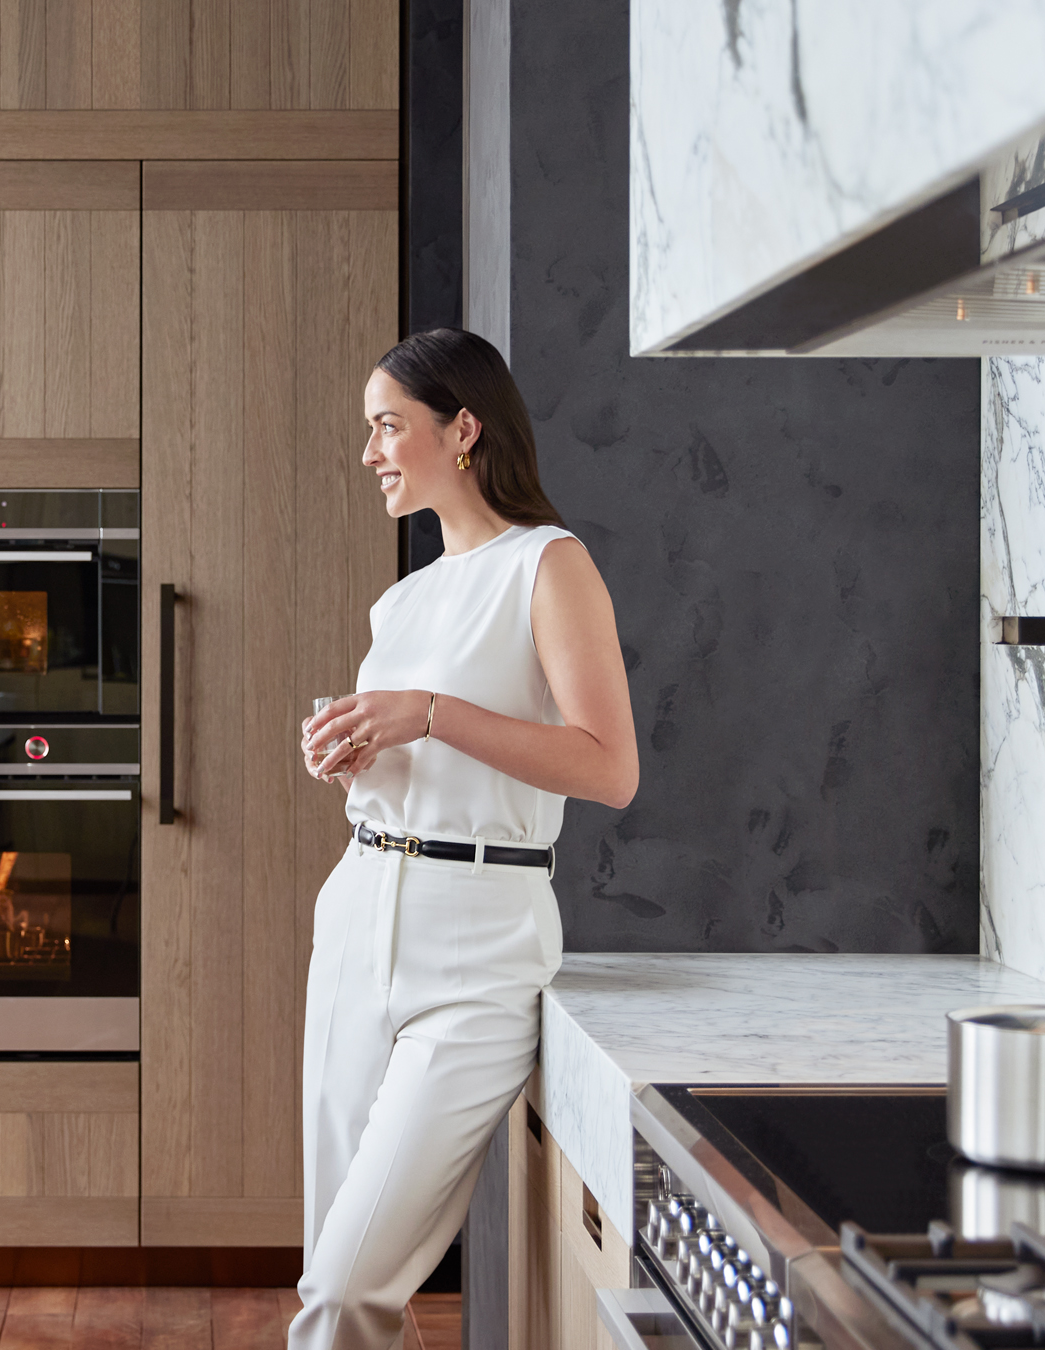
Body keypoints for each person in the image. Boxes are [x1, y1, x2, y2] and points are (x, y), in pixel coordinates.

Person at [293, 328, 637, 1349]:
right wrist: (358, 756)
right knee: (336, 1263)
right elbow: (418, 752)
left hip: (477, 945)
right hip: (358, 912)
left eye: (389, 426)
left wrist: (431, 713)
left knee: (347, 1286)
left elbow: (608, 768)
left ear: (466, 428)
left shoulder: (549, 564)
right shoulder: (402, 600)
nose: (371, 453)